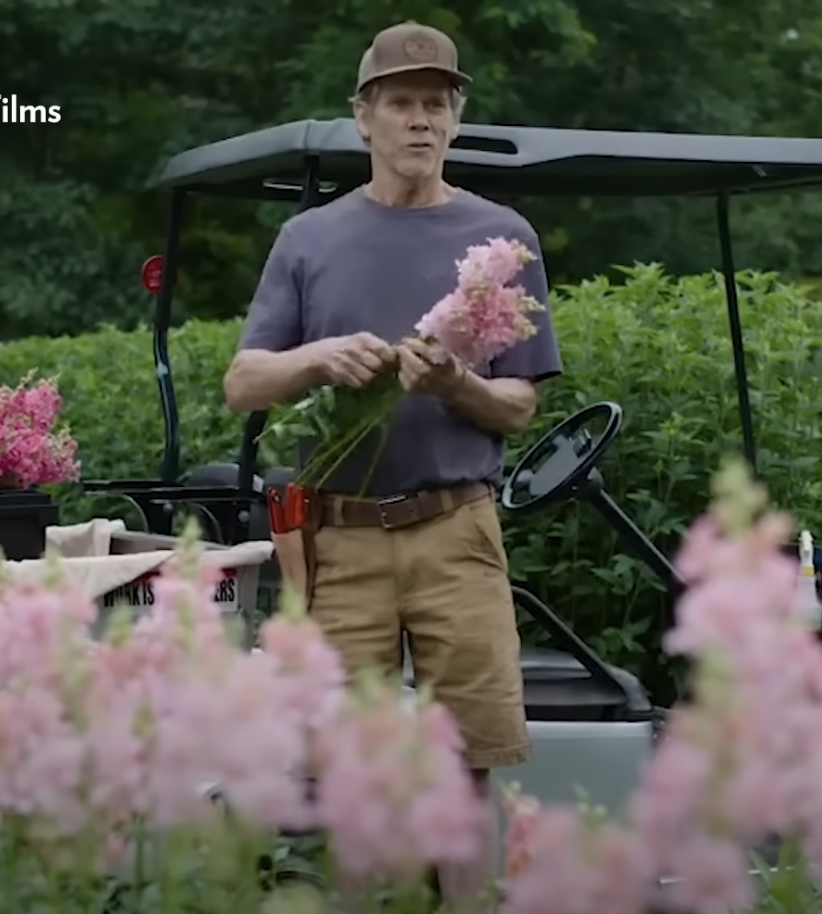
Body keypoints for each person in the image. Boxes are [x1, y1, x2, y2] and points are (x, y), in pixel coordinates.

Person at [220, 20, 562, 913]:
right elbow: (243, 383)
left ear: (455, 120)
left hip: (457, 527)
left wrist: (455, 383)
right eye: (401, 104)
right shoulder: (309, 238)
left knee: (467, 758)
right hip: (342, 539)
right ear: (363, 118)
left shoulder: (503, 235)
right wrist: (317, 358)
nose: (420, 121)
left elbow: (520, 406)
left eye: (436, 105)